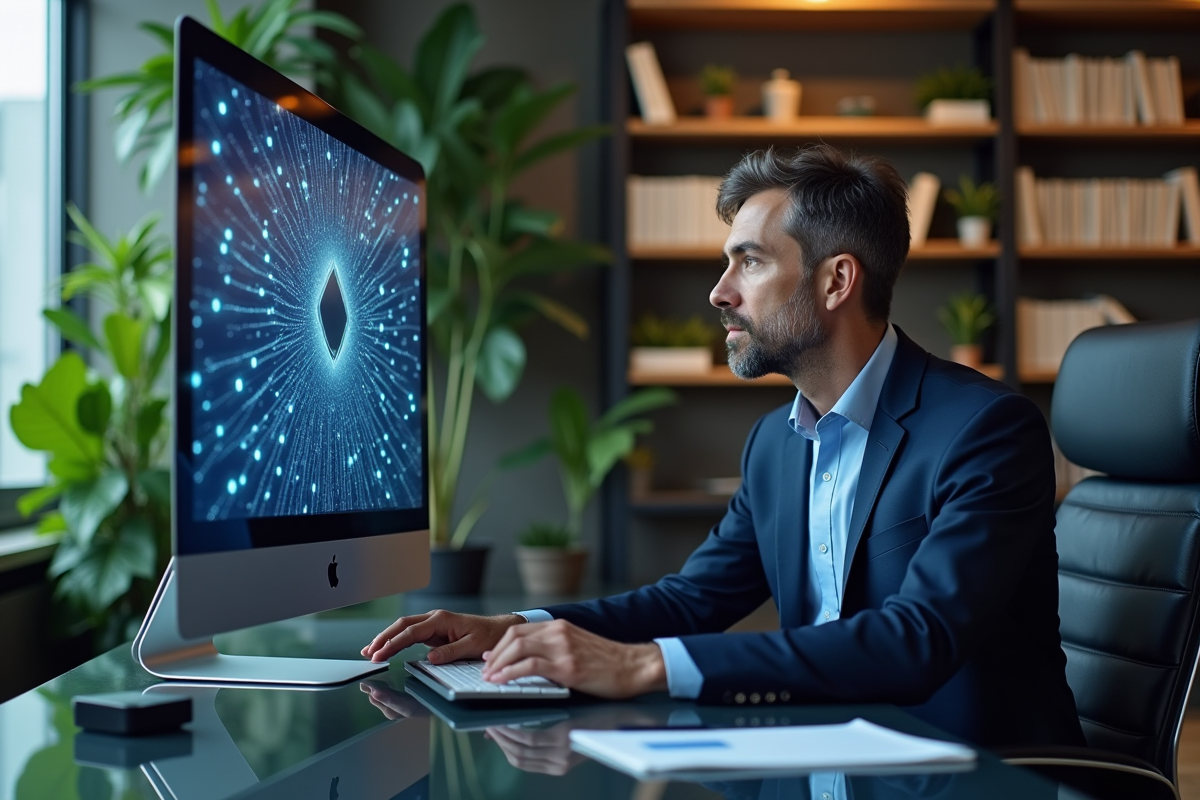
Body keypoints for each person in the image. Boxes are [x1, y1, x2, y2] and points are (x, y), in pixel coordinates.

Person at [363, 144, 1084, 749]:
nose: (719, 292)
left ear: (836, 280)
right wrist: (519, 627)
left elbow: (916, 639)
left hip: (972, 780)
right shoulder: (775, 442)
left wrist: (644, 668)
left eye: (750, 262)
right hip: (828, 760)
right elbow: (691, 600)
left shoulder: (985, 430)